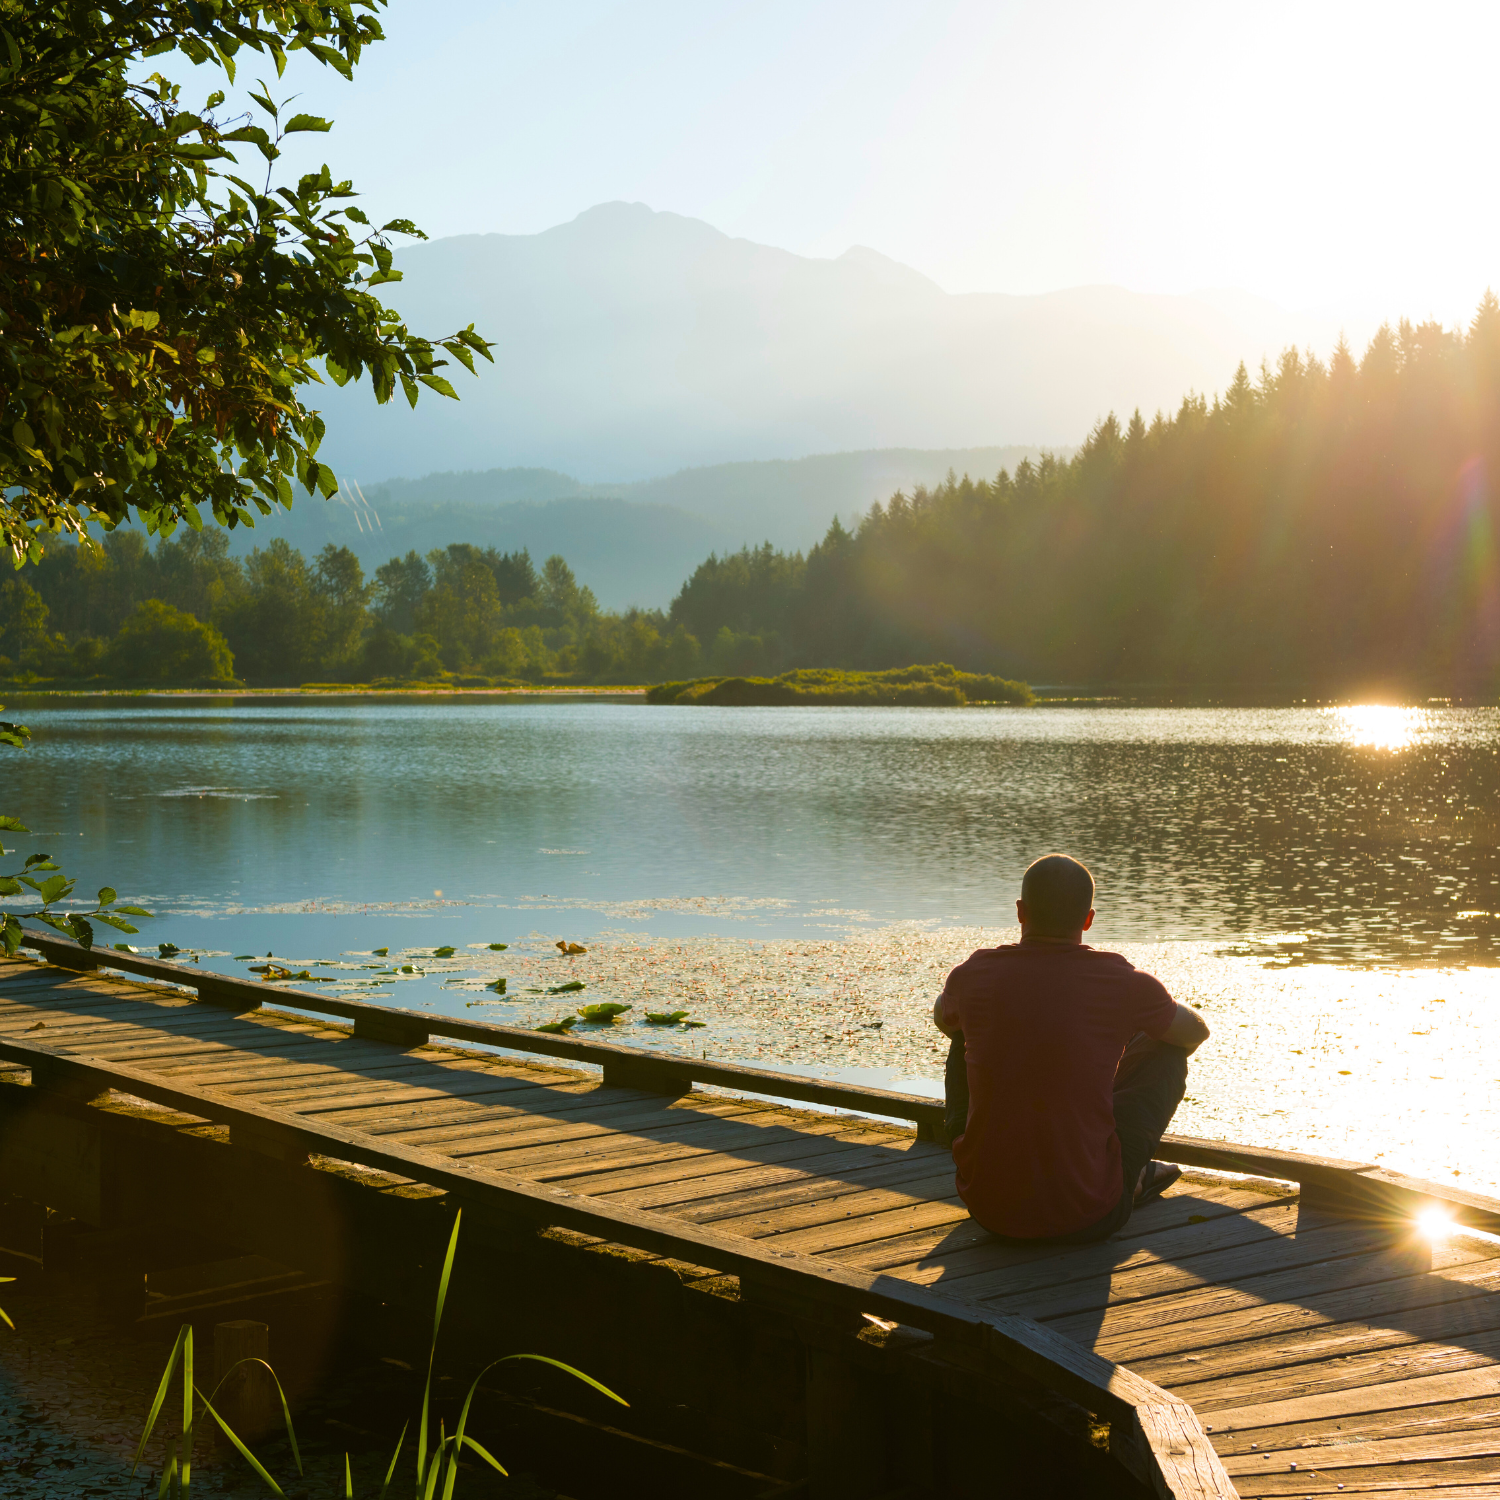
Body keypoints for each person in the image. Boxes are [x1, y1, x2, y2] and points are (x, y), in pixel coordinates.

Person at [933, 853, 1209, 1244]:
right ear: (1088, 919)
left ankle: (1018, 1163)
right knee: (1166, 1050)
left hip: (989, 1211)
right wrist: (1142, 1014)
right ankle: (1128, 1177)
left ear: (1020, 912)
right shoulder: (1124, 982)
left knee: (963, 1029)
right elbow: (1195, 1033)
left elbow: (942, 1018)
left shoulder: (972, 974)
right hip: (1089, 1215)